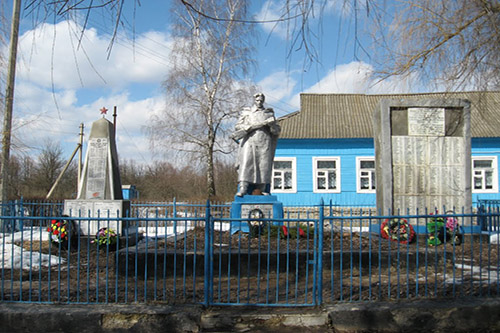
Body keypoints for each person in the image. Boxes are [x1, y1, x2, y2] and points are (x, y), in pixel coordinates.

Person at [232, 93, 281, 196]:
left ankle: (262, 189)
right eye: (257, 100)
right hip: (249, 141)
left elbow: (276, 131)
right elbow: (238, 127)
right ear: (254, 100)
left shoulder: (268, 114)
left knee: (263, 165)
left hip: (264, 142)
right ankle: (243, 188)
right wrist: (249, 127)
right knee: (246, 163)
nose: (259, 102)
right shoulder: (247, 113)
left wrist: (272, 125)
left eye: (261, 101)